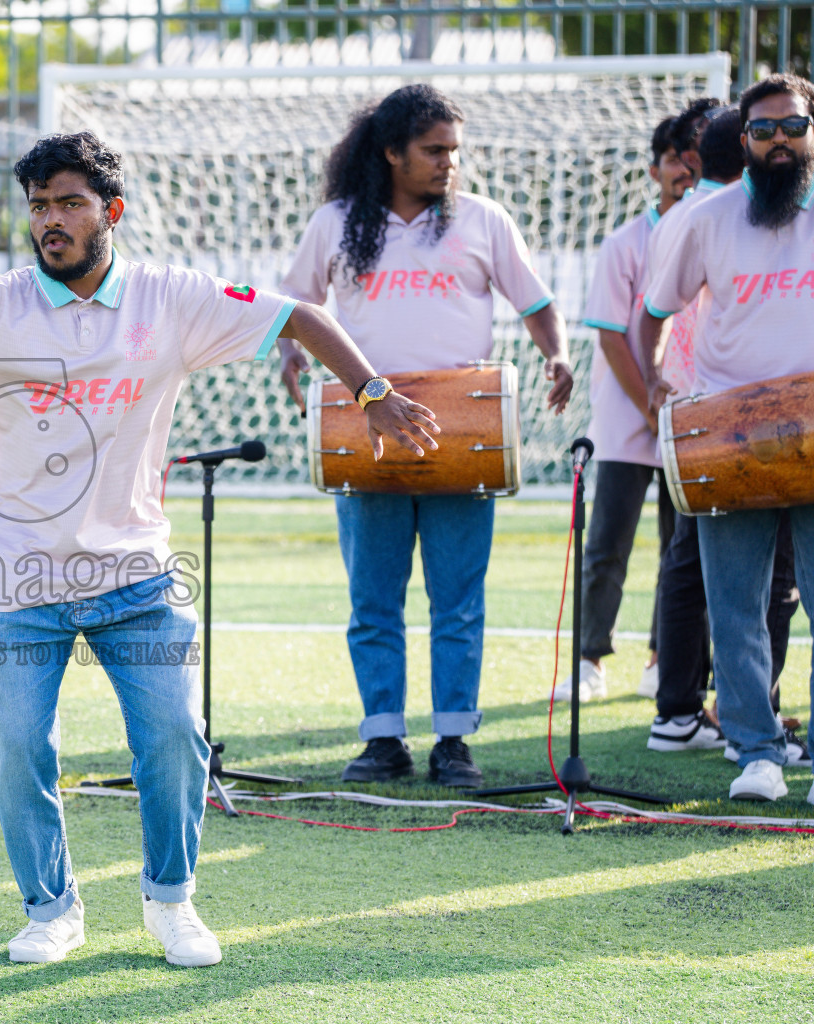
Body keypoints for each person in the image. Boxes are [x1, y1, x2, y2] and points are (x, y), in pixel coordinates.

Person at [0, 131, 439, 965]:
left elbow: (301, 317)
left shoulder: (170, 298)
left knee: (175, 738)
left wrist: (372, 391)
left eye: (69, 203)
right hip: (12, 583)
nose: (49, 222)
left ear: (112, 211)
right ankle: (50, 910)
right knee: (17, 753)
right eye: (38, 207)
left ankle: (172, 902)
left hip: (137, 576)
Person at [279, 84, 573, 789]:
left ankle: (453, 741)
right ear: (391, 152)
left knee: (458, 601)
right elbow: (296, 308)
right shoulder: (335, 222)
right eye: (434, 150)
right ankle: (383, 739)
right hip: (365, 430)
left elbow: (536, 303)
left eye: (455, 151)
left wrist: (557, 355)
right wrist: (290, 356)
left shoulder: (483, 218)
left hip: (462, 430)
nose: (449, 163)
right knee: (373, 601)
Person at [640, 73, 814, 803]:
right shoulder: (704, 218)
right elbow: (653, 313)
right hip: (729, 436)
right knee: (737, 607)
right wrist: (654, 382)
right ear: (743, 141)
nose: (780, 141)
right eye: (764, 130)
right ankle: (757, 752)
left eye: (793, 127)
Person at [563, 115, 693, 704]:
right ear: (654, 169)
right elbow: (613, 335)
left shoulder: (713, 230)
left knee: (681, 550)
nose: (684, 169)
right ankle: (589, 660)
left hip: (692, 418)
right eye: (674, 158)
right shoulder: (624, 243)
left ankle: (664, 660)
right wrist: (648, 407)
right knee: (607, 545)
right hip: (626, 419)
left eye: (692, 157)